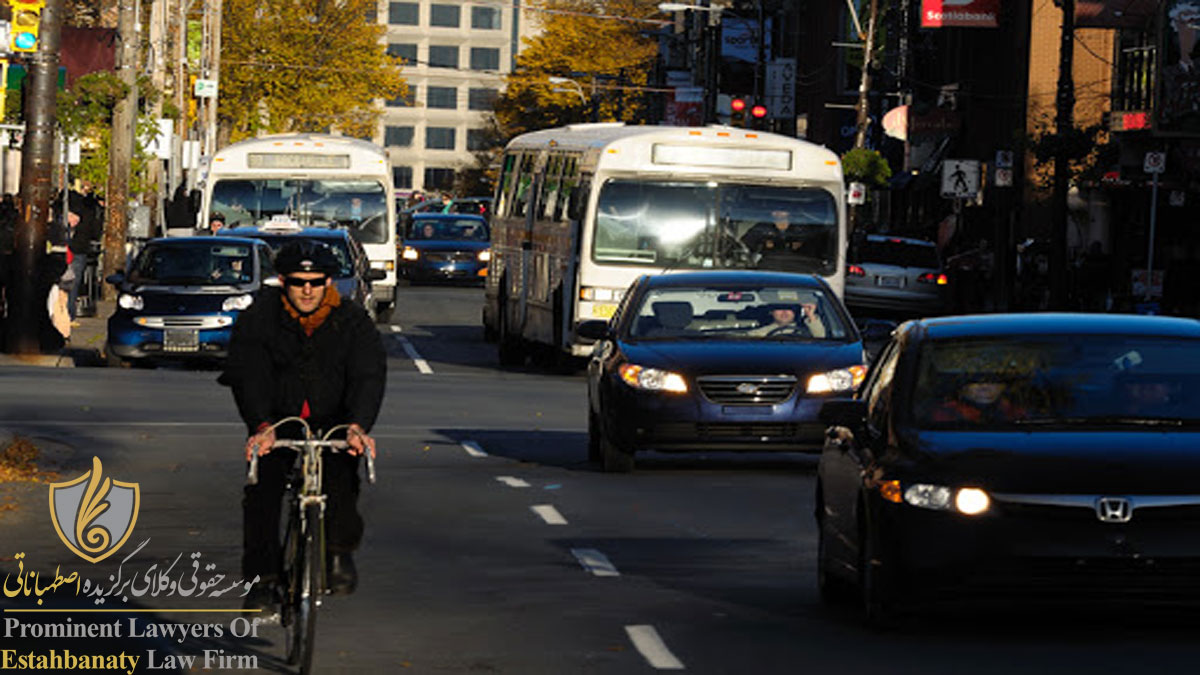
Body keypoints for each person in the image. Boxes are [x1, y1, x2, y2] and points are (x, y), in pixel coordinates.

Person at [218, 240, 386, 611]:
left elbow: (368, 375)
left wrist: (358, 425)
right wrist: (261, 425)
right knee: (261, 491)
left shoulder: (353, 320)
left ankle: (339, 553)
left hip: (334, 419)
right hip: (278, 420)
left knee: (342, 477)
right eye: (297, 282)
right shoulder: (259, 318)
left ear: (329, 282)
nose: (307, 290)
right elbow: (249, 375)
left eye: (315, 281)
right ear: (283, 281)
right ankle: (263, 580)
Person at [65, 190, 102, 322]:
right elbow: (95, 232)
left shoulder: (64, 213)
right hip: (80, 250)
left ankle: (65, 313)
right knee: (73, 284)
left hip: (68, 250)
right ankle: (69, 314)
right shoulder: (89, 213)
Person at [929, 378, 1027, 424]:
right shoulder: (946, 413)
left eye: (992, 381)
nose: (984, 386)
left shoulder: (1017, 414)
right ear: (962, 389)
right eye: (974, 381)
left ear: (1003, 387)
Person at [746, 300, 826, 338]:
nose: (784, 312)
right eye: (780, 308)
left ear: (795, 312)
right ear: (771, 312)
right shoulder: (759, 333)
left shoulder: (807, 330)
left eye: (789, 309)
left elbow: (822, 339)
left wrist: (811, 315)